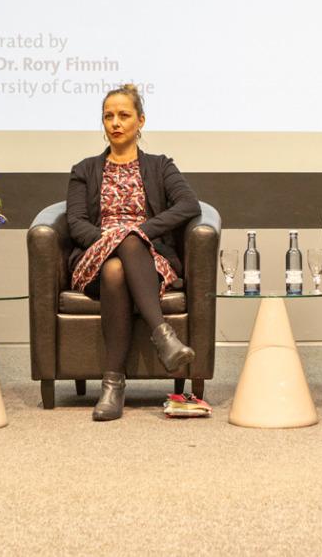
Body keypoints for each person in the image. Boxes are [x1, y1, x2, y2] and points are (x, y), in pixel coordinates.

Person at [66, 84, 201, 421]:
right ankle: (164, 337)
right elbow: (76, 223)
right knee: (114, 259)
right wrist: (110, 239)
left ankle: (112, 386)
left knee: (122, 259)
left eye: (124, 115)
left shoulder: (160, 165)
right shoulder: (84, 170)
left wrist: (140, 232)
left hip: (148, 259)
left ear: (140, 121)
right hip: (94, 261)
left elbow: (189, 204)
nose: (116, 122)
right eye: (108, 116)